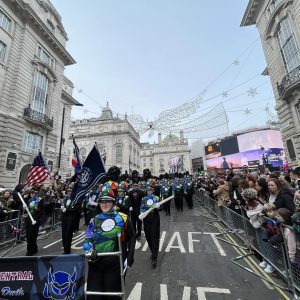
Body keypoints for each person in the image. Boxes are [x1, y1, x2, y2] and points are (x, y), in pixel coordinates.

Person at [83, 185, 135, 300]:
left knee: (112, 296)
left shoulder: (123, 218)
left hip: (115, 264)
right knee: (94, 296)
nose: (104, 204)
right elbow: (87, 240)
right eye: (102, 201)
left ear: (113, 202)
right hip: (96, 263)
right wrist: (90, 251)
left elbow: (132, 237)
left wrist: (130, 256)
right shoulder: (94, 220)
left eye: (108, 201)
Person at [140, 182, 160, 268]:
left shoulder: (156, 198)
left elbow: (159, 208)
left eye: (150, 190)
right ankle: (153, 251)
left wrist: (158, 206)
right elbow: (141, 208)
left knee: (154, 236)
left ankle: (154, 258)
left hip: (155, 217)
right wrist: (141, 214)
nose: (149, 191)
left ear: (152, 190)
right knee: (148, 236)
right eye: (148, 190)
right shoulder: (143, 199)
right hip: (146, 218)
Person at [61, 186, 80, 254]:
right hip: (64, 217)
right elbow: (63, 205)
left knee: (68, 233)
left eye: (70, 191)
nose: (69, 192)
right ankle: (65, 248)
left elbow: (76, 209)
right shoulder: (65, 198)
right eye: (68, 191)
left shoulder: (75, 199)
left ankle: (67, 249)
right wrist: (62, 207)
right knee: (63, 234)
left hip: (71, 217)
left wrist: (68, 209)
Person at [25, 188, 44, 256]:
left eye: (33, 192)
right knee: (28, 235)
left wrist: (37, 220)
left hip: (35, 220)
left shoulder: (39, 200)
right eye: (31, 193)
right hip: (29, 219)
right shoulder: (29, 200)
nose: (32, 194)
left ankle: (29, 251)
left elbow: (41, 211)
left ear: (36, 193)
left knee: (32, 235)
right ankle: (34, 248)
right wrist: (24, 207)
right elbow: (27, 210)